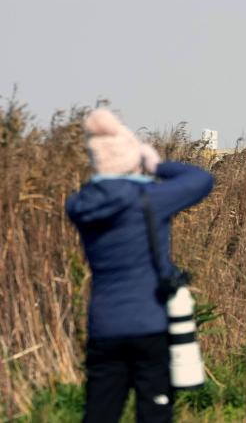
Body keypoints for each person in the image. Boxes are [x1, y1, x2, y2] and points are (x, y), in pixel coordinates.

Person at [66, 109, 214, 422]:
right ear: (130, 158)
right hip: (149, 324)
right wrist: (155, 164)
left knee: (99, 413)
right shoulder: (150, 198)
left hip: (103, 326)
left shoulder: (81, 205)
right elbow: (201, 180)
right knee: (154, 414)